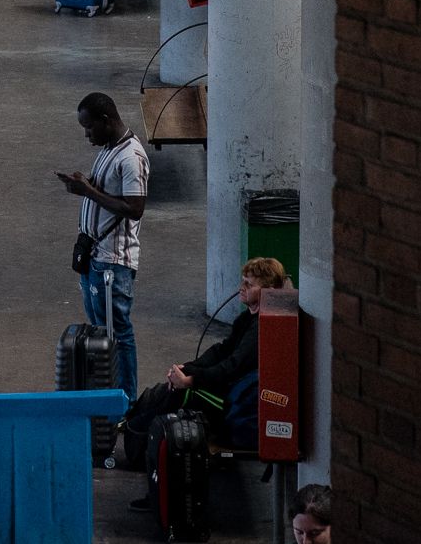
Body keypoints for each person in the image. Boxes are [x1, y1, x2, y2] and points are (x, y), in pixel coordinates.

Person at [121, 256, 289, 510]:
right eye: (243, 281)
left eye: (249, 284)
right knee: (175, 390)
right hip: (233, 389)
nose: (241, 288)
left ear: (269, 291)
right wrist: (189, 368)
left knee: (180, 398)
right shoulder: (249, 319)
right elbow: (222, 350)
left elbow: (231, 366)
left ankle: (156, 476)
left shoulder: (260, 329)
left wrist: (190, 381)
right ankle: (143, 448)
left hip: (235, 402)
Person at [57, 91, 148, 400]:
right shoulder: (109, 148)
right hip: (95, 256)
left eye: (89, 127)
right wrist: (83, 186)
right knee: (100, 334)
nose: (86, 134)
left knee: (117, 334)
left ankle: (126, 400)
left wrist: (89, 192)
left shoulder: (131, 157)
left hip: (112, 262)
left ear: (106, 121)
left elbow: (135, 208)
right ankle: (108, 396)